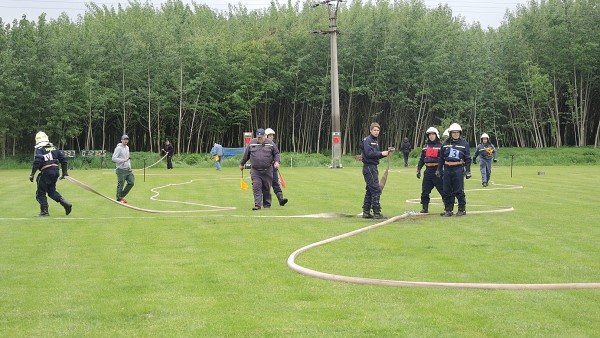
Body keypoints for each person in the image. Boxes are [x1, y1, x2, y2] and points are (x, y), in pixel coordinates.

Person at [29, 131, 72, 216]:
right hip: (55, 171)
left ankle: (44, 211)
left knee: (40, 193)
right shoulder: (53, 148)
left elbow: (37, 161)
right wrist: (64, 172)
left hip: (46, 171)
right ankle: (65, 203)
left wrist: (32, 174)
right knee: (51, 191)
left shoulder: (39, 148)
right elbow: (63, 160)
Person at [239, 128, 280, 210]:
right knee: (256, 186)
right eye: (258, 137)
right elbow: (246, 155)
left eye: (261, 137)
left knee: (266, 188)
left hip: (267, 170)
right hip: (255, 171)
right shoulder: (252, 143)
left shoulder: (271, 144)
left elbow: (276, 153)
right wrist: (242, 164)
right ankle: (257, 205)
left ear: (265, 136)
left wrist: (277, 162)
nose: (259, 139)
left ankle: (267, 204)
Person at [437, 123, 471, 217]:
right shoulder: (445, 144)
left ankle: (461, 209)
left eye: (457, 132)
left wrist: (468, 171)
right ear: (450, 133)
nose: (455, 134)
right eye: (453, 132)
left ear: (460, 133)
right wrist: (439, 170)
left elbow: (468, 158)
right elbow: (441, 158)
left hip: (458, 168)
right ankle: (448, 209)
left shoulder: (464, 144)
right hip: (447, 168)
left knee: (458, 190)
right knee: (447, 190)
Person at [360, 122, 392, 219]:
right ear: (370, 130)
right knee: (376, 189)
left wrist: (385, 154)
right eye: (375, 130)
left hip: (373, 166)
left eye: (378, 130)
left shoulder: (375, 141)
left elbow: (375, 156)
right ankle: (376, 212)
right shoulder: (368, 140)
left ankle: (366, 212)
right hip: (369, 167)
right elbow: (369, 154)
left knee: (370, 190)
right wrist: (382, 153)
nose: (376, 132)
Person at [416, 127, 445, 214]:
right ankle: (425, 207)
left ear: (436, 135)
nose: (431, 136)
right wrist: (418, 169)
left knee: (442, 190)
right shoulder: (425, 147)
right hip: (428, 171)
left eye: (433, 134)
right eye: (430, 134)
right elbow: (422, 159)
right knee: (425, 191)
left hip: (437, 171)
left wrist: (439, 170)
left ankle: (447, 207)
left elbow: (442, 159)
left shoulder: (441, 146)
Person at [265, 128, 288, 206]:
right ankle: (265, 202)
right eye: (270, 135)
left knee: (275, 184)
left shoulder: (274, 145)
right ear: (266, 136)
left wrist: (277, 162)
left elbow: (277, 154)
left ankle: (281, 199)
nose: (272, 137)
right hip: (264, 168)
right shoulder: (261, 145)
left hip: (273, 168)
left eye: (272, 135)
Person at [112, 134, 135, 204]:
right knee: (121, 184)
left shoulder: (127, 147)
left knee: (131, 182)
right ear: (121, 140)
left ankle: (121, 196)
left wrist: (129, 166)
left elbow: (128, 158)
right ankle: (119, 199)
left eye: (127, 139)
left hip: (128, 169)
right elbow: (113, 158)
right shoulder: (118, 148)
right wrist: (123, 160)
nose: (126, 141)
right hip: (120, 170)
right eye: (124, 139)